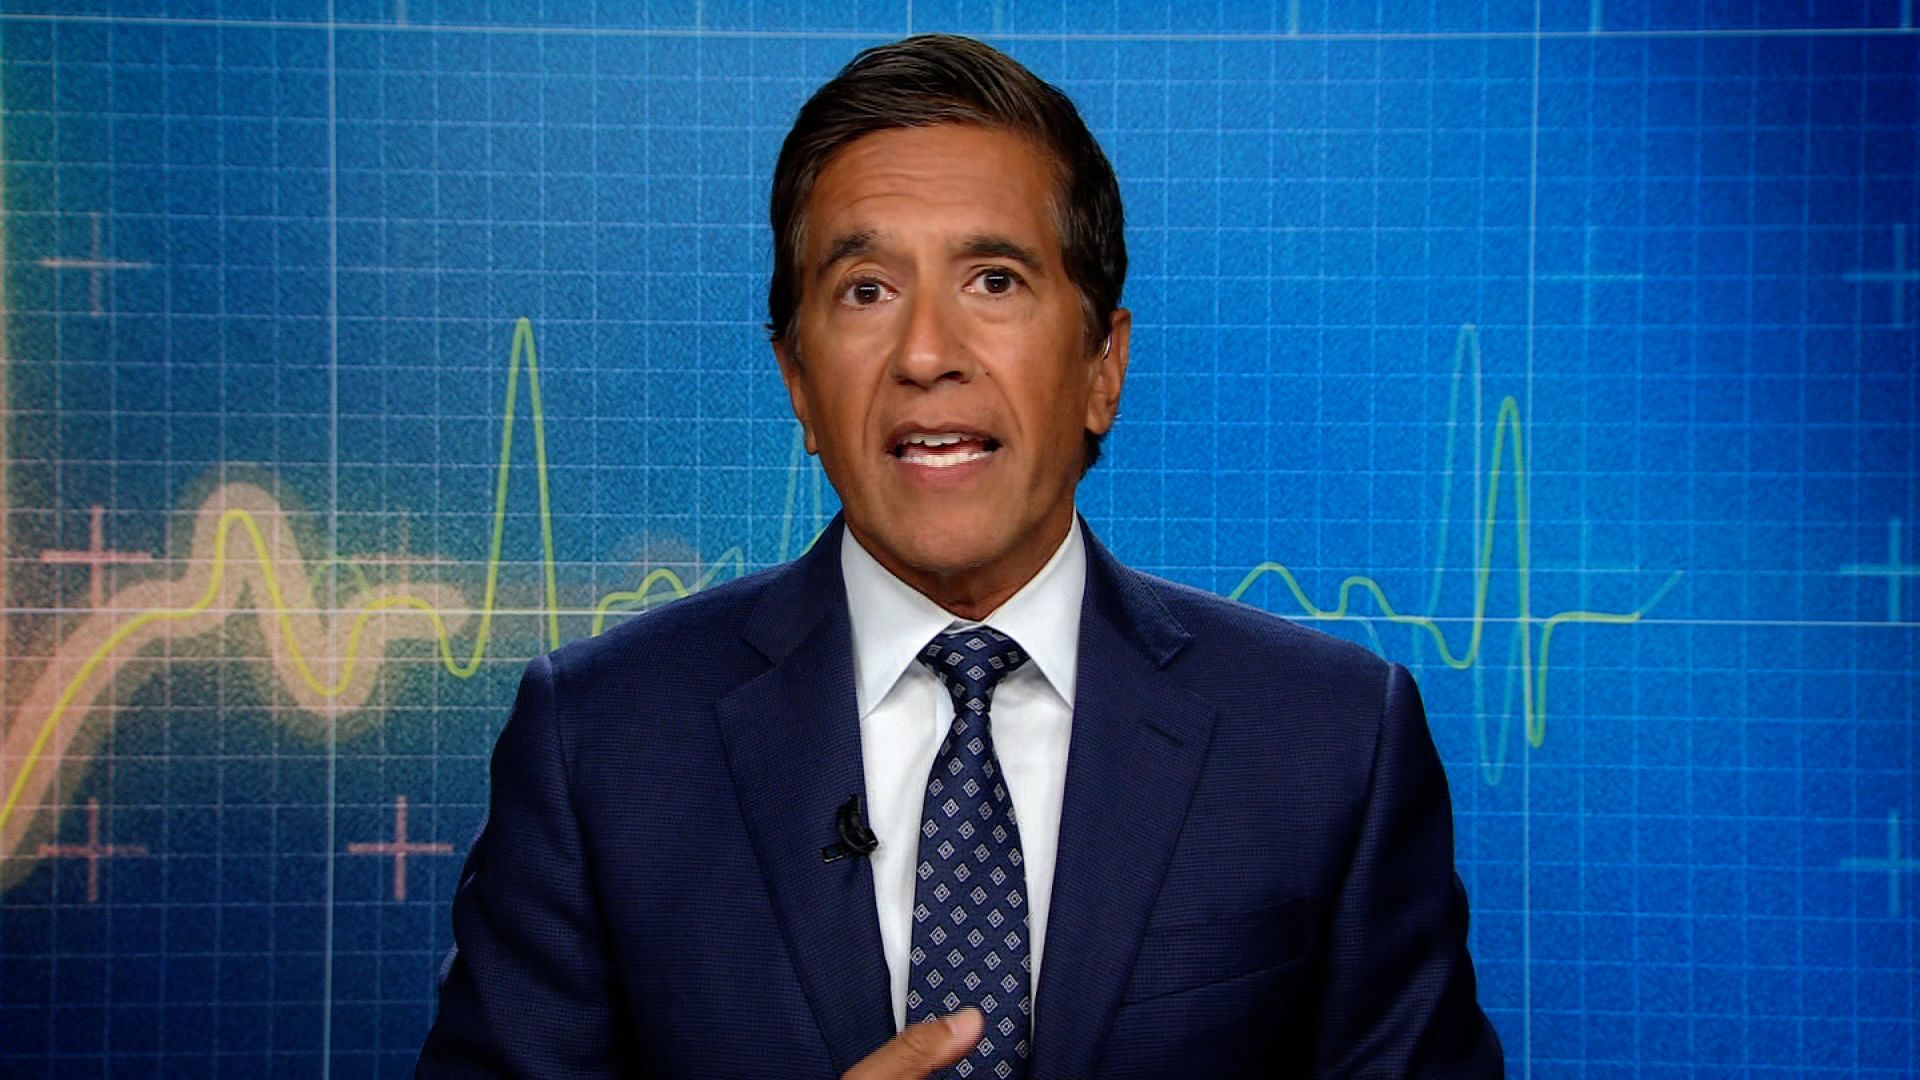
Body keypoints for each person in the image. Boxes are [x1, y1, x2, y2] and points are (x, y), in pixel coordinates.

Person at [417, 33, 1504, 1080]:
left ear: (1103, 366)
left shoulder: (1332, 742)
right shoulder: (600, 745)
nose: (927, 354)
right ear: (799, 382)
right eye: (866, 291)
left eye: (994, 281)